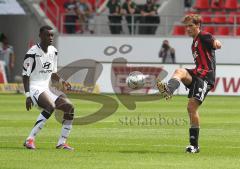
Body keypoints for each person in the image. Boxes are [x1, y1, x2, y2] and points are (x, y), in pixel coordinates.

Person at [157, 14, 222, 153]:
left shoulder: (204, 36)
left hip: (205, 77)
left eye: (190, 26)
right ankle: (169, 90)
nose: (187, 29)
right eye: (186, 26)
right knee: (179, 71)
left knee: (191, 108)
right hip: (197, 73)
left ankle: (194, 146)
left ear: (198, 25)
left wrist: (217, 43)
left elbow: (215, 42)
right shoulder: (194, 43)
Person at [22, 25, 74, 150]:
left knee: (69, 107)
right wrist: (28, 95)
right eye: (47, 35)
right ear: (40, 36)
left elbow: (53, 73)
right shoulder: (32, 53)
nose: (50, 37)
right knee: (50, 106)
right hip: (35, 87)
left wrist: (62, 82)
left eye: (52, 35)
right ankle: (30, 139)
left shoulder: (53, 51)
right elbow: (25, 75)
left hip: (47, 87)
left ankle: (62, 142)